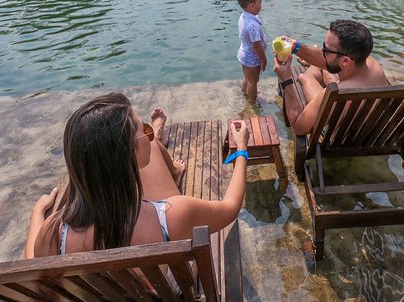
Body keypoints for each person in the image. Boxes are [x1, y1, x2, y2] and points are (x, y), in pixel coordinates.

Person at [25, 93, 249, 259]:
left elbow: (32, 261)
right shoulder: (175, 214)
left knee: (149, 151)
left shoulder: (53, 234)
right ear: (129, 152)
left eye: (147, 130)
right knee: (152, 151)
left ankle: (163, 149)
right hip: (170, 296)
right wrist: (241, 150)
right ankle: (167, 156)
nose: (145, 133)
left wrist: (37, 213)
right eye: (145, 130)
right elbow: (230, 208)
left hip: (113, 301)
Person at [273, 19, 388, 135]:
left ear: (346, 61)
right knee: (328, 68)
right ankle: (315, 67)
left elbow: (298, 128)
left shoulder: (337, 94)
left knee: (307, 78)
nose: (321, 50)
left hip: (336, 134)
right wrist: (296, 47)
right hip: (365, 132)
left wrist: (286, 79)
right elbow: (328, 61)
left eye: (326, 49)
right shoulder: (371, 64)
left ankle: (306, 76)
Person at [236, 0, 267, 103]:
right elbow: (257, 46)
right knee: (253, 82)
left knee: (248, 79)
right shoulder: (252, 25)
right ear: (252, 6)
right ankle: (252, 102)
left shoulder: (244, 16)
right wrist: (263, 60)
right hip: (252, 58)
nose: (261, 5)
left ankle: (244, 92)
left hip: (244, 54)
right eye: (260, 3)